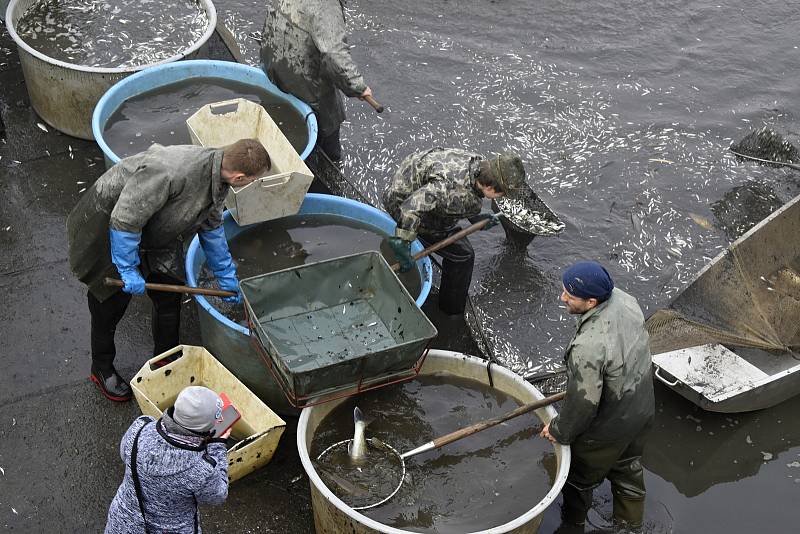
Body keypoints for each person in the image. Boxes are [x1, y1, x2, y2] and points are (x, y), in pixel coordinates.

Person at [67, 140, 270, 402]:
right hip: (112, 229)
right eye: (254, 181)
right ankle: (102, 366)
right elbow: (125, 218)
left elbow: (212, 226)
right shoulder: (172, 171)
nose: (252, 185)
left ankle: (166, 361)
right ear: (240, 176)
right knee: (109, 306)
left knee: (169, 302)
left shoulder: (219, 178)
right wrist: (127, 269)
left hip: (158, 229)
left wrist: (225, 275)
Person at [539, 261, 655, 532]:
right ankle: (630, 526)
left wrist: (559, 430)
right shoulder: (625, 300)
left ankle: (572, 525)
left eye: (569, 295)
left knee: (579, 478)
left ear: (591, 302)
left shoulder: (588, 347)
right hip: (642, 406)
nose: (562, 297)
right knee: (628, 468)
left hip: (609, 421)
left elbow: (584, 404)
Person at [382, 148, 527, 315]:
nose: (500, 198)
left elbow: (455, 190)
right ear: (490, 187)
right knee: (464, 256)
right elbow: (411, 208)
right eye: (501, 194)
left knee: (462, 207)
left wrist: (476, 217)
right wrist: (402, 243)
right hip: (400, 205)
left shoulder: (475, 161)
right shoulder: (457, 195)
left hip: (405, 185)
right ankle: (450, 310)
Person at [105, 386, 231, 534]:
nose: (221, 419)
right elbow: (218, 495)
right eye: (217, 417)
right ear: (204, 427)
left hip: (124, 522)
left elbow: (124, 454)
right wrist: (217, 446)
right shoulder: (201, 469)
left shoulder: (140, 427)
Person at [260, 0, 374, 162]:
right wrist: (357, 86)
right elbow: (333, 53)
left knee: (282, 124)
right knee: (328, 148)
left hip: (274, 69)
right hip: (307, 84)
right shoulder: (326, 5)